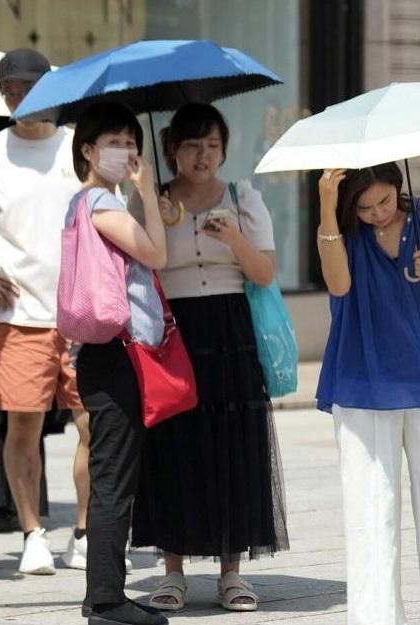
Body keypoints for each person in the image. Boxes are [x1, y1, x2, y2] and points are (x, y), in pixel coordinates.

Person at [128, 103, 288, 613]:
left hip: (229, 330)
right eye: (193, 145)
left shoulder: (244, 197)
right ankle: (171, 571)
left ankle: (231, 572)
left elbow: (264, 272)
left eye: (213, 145)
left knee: (234, 446)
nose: (204, 156)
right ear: (172, 148)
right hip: (173, 333)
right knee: (173, 445)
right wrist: (148, 203)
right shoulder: (152, 200)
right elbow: (135, 267)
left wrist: (233, 237)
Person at [314, 163, 420, 625]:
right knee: (372, 517)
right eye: (364, 207)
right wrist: (328, 209)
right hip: (361, 381)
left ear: (399, 188)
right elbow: (339, 285)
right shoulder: (341, 229)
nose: (377, 214)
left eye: (384, 202)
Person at [0, 48, 90, 571]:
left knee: (92, 425)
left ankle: (84, 531)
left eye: (28, 87)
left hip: (82, 315)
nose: (18, 98)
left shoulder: (79, 148)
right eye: (9, 90)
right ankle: (32, 534)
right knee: (22, 428)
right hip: (17, 316)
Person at [71, 102, 168, 625]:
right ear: (87, 149)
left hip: (103, 353)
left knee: (113, 476)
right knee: (113, 481)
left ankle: (103, 595)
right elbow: (157, 254)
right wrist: (148, 191)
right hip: (115, 354)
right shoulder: (100, 203)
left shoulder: (83, 203)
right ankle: (107, 600)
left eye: (132, 141)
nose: (126, 150)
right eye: (113, 141)